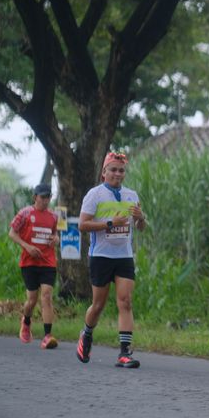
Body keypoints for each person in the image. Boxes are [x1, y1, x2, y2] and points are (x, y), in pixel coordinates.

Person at [76, 152, 147, 368]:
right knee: (98, 305)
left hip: (124, 256)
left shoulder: (131, 195)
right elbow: (82, 225)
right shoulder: (95, 194)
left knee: (125, 301)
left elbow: (140, 227)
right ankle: (87, 334)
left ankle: (124, 353)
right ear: (104, 172)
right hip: (101, 256)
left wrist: (141, 218)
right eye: (113, 169)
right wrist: (109, 223)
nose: (117, 173)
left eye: (121, 170)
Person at [8, 183, 60, 349]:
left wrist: (56, 239)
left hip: (48, 261)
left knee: (46, 296)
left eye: (48, 197)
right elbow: (12, 233)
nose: (45, 200)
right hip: (29, 262)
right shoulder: (25, 213)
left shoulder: (54, 216)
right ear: (35, 197)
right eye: (42, 197)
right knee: (32, 299)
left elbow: (55, 234)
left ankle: (47, 336)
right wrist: (27, 246)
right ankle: (26, 321)